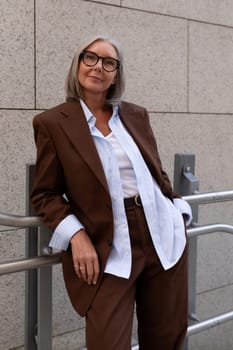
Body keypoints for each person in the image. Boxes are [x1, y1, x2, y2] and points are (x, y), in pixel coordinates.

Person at [31, 35, 192, 350]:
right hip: (107, 244)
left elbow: (155, 171)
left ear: (117, 73)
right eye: (90, 58)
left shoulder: (135, 115)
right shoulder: (52, 123)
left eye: (109, 62)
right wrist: (76, 236)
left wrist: (177, 212)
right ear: (78, 63)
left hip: (162, 236)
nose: (98, 67)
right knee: (108, 342)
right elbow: (45, 194)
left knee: (166, 339)